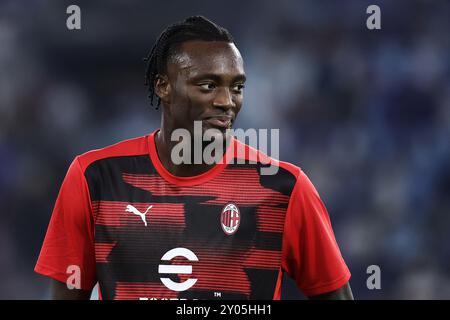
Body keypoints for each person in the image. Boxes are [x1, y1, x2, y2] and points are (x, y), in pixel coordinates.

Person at [35, 15, 353, 300]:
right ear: (163, 87)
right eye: (208, 85)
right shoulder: (95, 177)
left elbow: (333, 293)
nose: (227, 101)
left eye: (237, 87)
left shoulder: (284, 188)